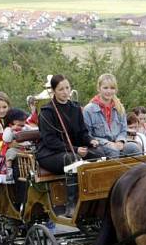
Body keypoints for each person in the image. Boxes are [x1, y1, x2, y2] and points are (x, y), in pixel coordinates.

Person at [37, 74, 100, 217]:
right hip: (49, 154)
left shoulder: (75, 108)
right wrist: (77, 149)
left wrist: (90, 140)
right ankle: (72, 205)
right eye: (60, 89)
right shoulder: (47, 112)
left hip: (73, 150)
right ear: (53, 91)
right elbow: (50, 141)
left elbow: (82, 133)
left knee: (100, 154)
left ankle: (96, 199)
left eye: (67, 88)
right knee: (72, 159)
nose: (65, 92)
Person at [84, 73, 142, 158]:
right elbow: (87, 135)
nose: (109, 91)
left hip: (117, 143)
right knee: (113, 151)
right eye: (105, 88)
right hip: (100, 146)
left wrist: (120, 141)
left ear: (116, 90)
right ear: (99, 88)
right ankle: (118, 171)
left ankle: (137, 171)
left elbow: (123, 130)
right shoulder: (89, 109)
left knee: (134, 148)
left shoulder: (119, 108)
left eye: (112, 88)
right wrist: (107, 143)